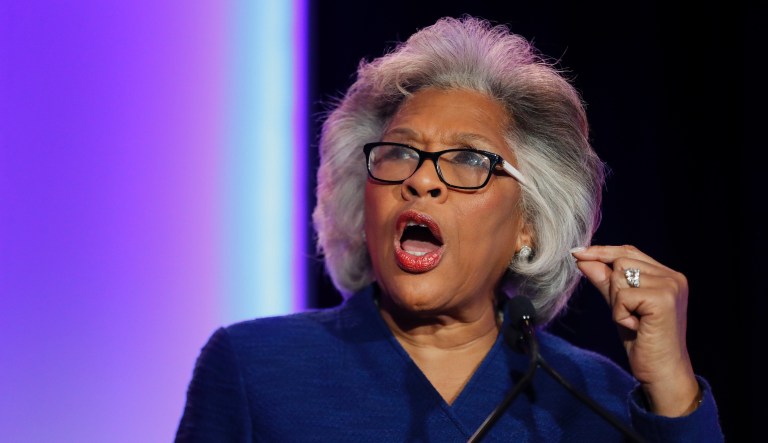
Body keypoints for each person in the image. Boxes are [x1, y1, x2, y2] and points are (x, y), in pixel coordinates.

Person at [175, 15, 724, 442]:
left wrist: (672, 388)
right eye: (399, 153)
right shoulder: (255, 367)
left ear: (527, 226)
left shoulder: (595, 394)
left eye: (467, 159)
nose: (421, 182)